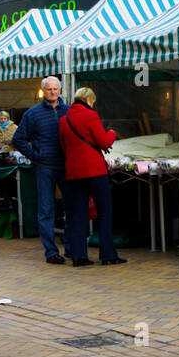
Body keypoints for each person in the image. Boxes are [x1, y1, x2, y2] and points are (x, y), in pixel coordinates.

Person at [59, 87, 124, 267]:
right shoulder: (91, 116)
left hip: (73, 172)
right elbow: (103, 142)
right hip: (94, 171)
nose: (93, 105)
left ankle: (79, 256)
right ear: (88, 100)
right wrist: (112, 133)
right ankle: (108, 255)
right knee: (104, 211)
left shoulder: (63, 120)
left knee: (78, 214)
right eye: (93, 102)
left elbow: (64, 148)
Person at [11, 77, 72, 264]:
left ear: (60, 90)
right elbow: (18, 139)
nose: (53, 92)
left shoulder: (69, 111)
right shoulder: (33, 114)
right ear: (43, 90)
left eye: (55, 89)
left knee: (71, 207)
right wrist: (34, 155)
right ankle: (51, 252)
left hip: (66, 165)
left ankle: (71, 247)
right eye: (49, 89)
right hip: (44, 166)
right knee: (46, 209)